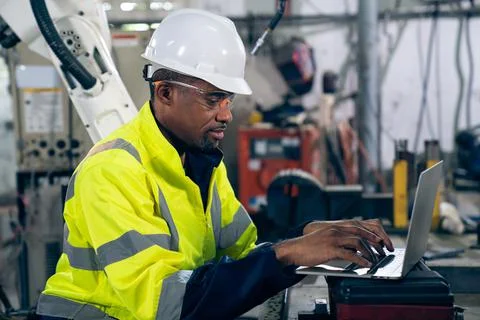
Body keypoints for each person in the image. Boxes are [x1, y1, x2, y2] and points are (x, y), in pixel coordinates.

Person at [36, 8, 393, 320]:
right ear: (165, 93)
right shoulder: (113, 170)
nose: (227, 114)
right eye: (213, 99)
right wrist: (289, 253)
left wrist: (310, 236)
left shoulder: (200, 160)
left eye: (228, 98)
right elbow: (165, 304)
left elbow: (243, 254)